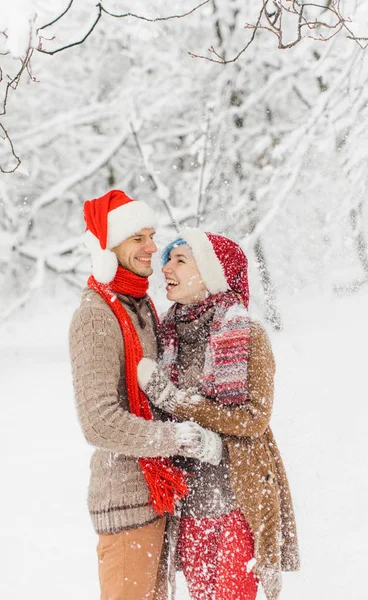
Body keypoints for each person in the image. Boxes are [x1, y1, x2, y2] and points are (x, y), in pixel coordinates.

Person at [69, 191, 222, 600]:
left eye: (151, 235)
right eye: (137, 238)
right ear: (110, 246)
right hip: (124, 501)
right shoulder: (96, 315)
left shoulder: (140, 306)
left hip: (158, 496)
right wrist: (178, 438)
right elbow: (98, 421)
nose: (152, 247)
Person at [137, 230, 300, 600]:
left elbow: (254, 419)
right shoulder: (166, 334)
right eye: (167, 259)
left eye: (180, 259)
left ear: (211, 272)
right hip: (189, 501)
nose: (166, 268)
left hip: (238, 498)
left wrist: (174, 400)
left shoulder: (247, 332)